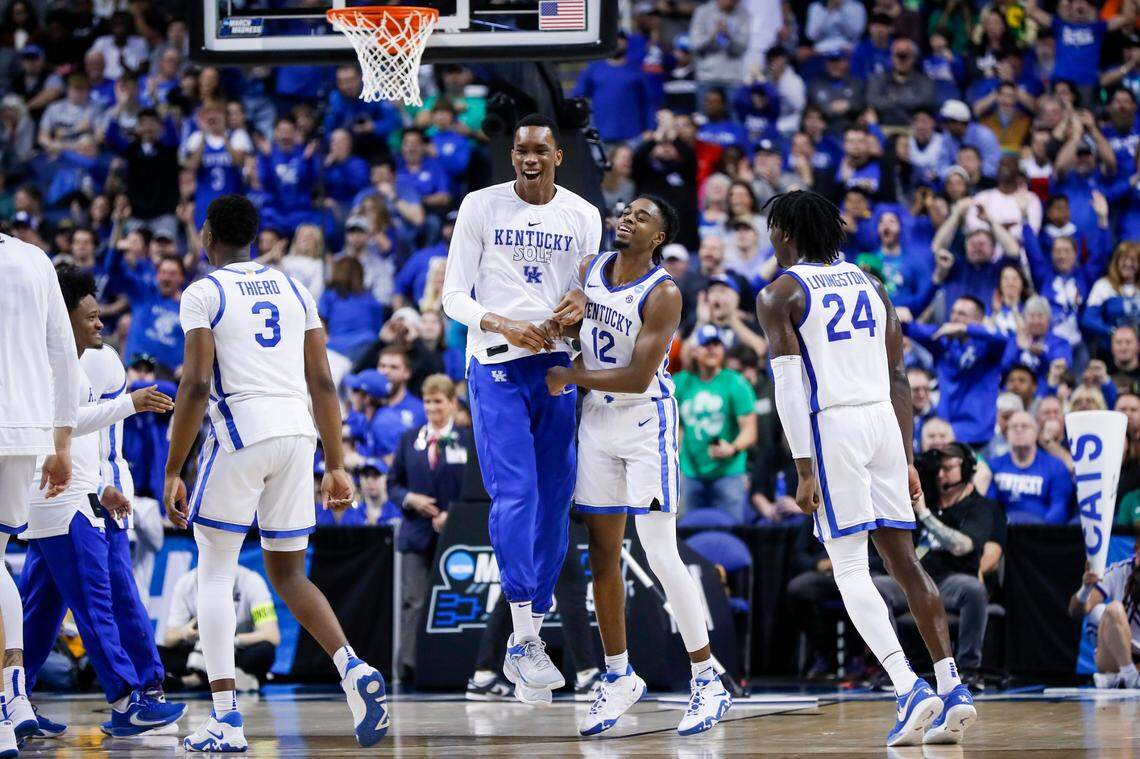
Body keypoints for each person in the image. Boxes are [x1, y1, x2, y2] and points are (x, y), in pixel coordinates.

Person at [163, 195, 388, 751]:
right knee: (288, 573)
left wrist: (173, 467)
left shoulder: (204, 292)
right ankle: (352, 668)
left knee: (214, 571)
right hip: (297, 435)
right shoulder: (294, 288)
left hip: (242, 431)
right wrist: (335, 464)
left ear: (208, 235)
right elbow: (324, 384)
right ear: (256, 236)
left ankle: (224, 720)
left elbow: (193, 386)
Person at [755, 190, 975, 747]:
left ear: (787, 233)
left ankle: (908, 687)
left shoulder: (780, 293)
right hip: (883, 420)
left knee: (850, 566)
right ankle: (952, 686)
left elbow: (786, 389)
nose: (772, 239)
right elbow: (900, 377)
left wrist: (804, 469)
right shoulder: (872, 285)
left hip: (834, 427)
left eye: (774, 230)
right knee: (904, 560)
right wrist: (904, 456)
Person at [544, 195, 732, 736]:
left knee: (659, 551)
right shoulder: (591, 267)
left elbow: (635, 375)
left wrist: (569, 375)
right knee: (602, 555)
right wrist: (566, 317)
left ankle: (706, 678)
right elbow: (575, 318)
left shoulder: (664, 292)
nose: (627, 218)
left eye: (641, 217)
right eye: (626, 211)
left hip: (645, 418)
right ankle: (619, 674)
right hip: (597, 423)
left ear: (657, 238)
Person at [441, 114, 598, 705]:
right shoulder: (480, 206)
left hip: (556, 367)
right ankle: (525, 637)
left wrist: (579, 301)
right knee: (518, 493)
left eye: (540, 151)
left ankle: (532, 628)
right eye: (520, 151)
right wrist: (502, 321)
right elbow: (452, 296)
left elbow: (589, 288)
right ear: (513, 157)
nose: (529, 159)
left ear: (558, 155)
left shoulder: (583, 214)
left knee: (557, 500)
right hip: (498, 365)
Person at [20, 265, 183, 740]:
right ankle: (127, 699)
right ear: (65, 316)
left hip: (75, 492)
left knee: (41, 607)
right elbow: (55, 430)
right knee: (97, 601)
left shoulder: (77, 363)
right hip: (55, 497)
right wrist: (131, 403)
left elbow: (77, 432)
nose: (100, 323)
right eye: (90, 316)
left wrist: (102, 484)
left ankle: (13, 701)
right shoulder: (43, 362)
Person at [0, 231, 80, 753]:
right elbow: (64, 356)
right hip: (25, 431)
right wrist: (63, 441)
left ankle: (8, 706)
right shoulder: (34, 258)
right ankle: (15, 696)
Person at [387, 374, 471, 683]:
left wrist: (453, 515)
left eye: (438, 401)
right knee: (415, 600)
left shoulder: (467, 439)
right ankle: (409, 667)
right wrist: (412, 498)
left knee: (456, 599)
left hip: (458, 536)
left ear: (452, 403)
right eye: (427, 401)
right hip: (416, 532)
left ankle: (456, 665)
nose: (432, 407)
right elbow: (393, 483)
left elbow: (477, 488)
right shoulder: (409, 439)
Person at [673, 324, 758, 522]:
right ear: (694, 351)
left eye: (716, 344)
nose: (712, 349)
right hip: (690, 473)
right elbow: (672, 424)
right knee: (689, 537)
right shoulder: (680, 383)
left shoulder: (736, 383)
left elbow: (750, 430)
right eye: (706, 344)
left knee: (732, 533)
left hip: (728, 473)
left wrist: (733, 448)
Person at [161, 566, 280, 692]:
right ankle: (234, 681)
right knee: (156, 654)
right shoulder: (185, 584)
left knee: (265, 650)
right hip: (198, 653)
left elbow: (272, 635)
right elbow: (169, 639)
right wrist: (185, 632)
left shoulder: (252, 582)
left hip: (235, 653)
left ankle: (192, 681)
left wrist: (230, 640)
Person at [987, 411, 1074, 524]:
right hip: (1003, 533)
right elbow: (988, 506)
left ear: (1036, 433)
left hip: (1042, 533)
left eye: (1025, 426)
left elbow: (1060, 505)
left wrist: (1043, 531)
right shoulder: (993, 465)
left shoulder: (1055, 466)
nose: (1019, 430)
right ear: (1006, 434)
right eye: (1014, 427)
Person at [1069, 552, 1140, 688]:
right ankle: (1130, 676)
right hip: (1118, 658)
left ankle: (1119, 679)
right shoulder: (1119, 572)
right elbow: (1075, 612)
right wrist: (1085, 590)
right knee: (1110, 610)